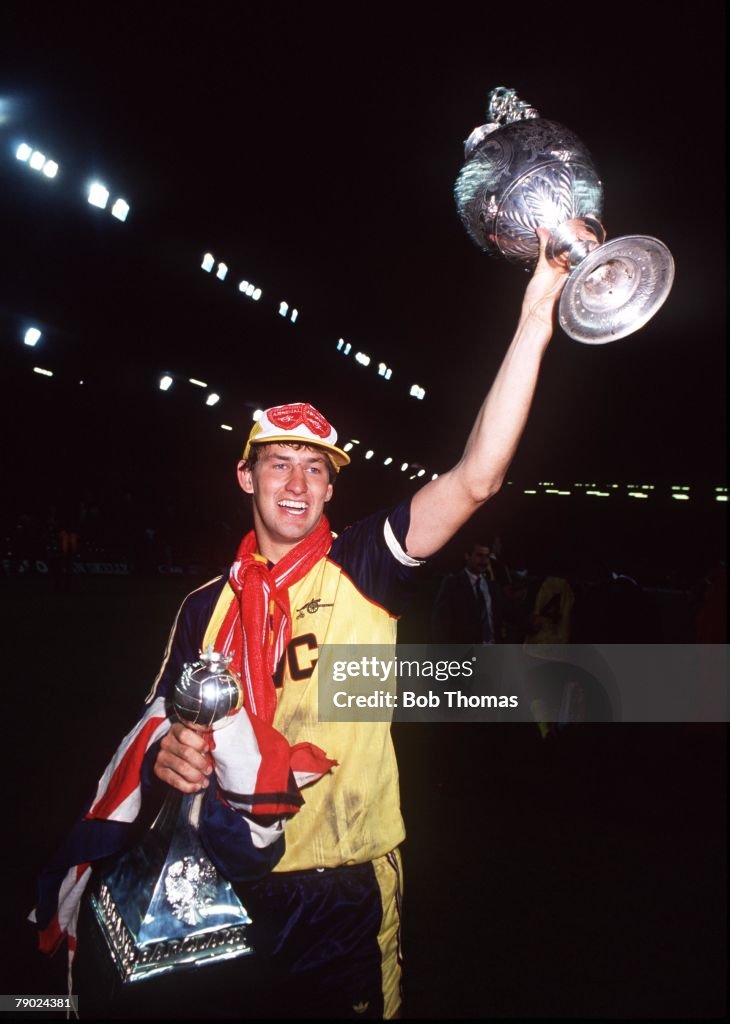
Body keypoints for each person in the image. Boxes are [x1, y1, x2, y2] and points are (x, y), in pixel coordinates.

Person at [35, 228, 569, 1019]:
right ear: (245, 475)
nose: (297, 482)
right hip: (222, 884)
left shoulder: (364, 564)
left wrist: (537, 312)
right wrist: (173, 759)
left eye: (315, 468)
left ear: (330, 490)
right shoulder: (200, 607)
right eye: (279, 462)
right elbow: (160, 732)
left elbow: (478, 477)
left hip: (343, 885)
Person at [431, 541, 505, 644]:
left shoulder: (492, 586)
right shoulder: (453, 584)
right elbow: (440, 622)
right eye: (479, 555)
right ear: (467, 556)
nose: (484, 561)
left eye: (487, 556)